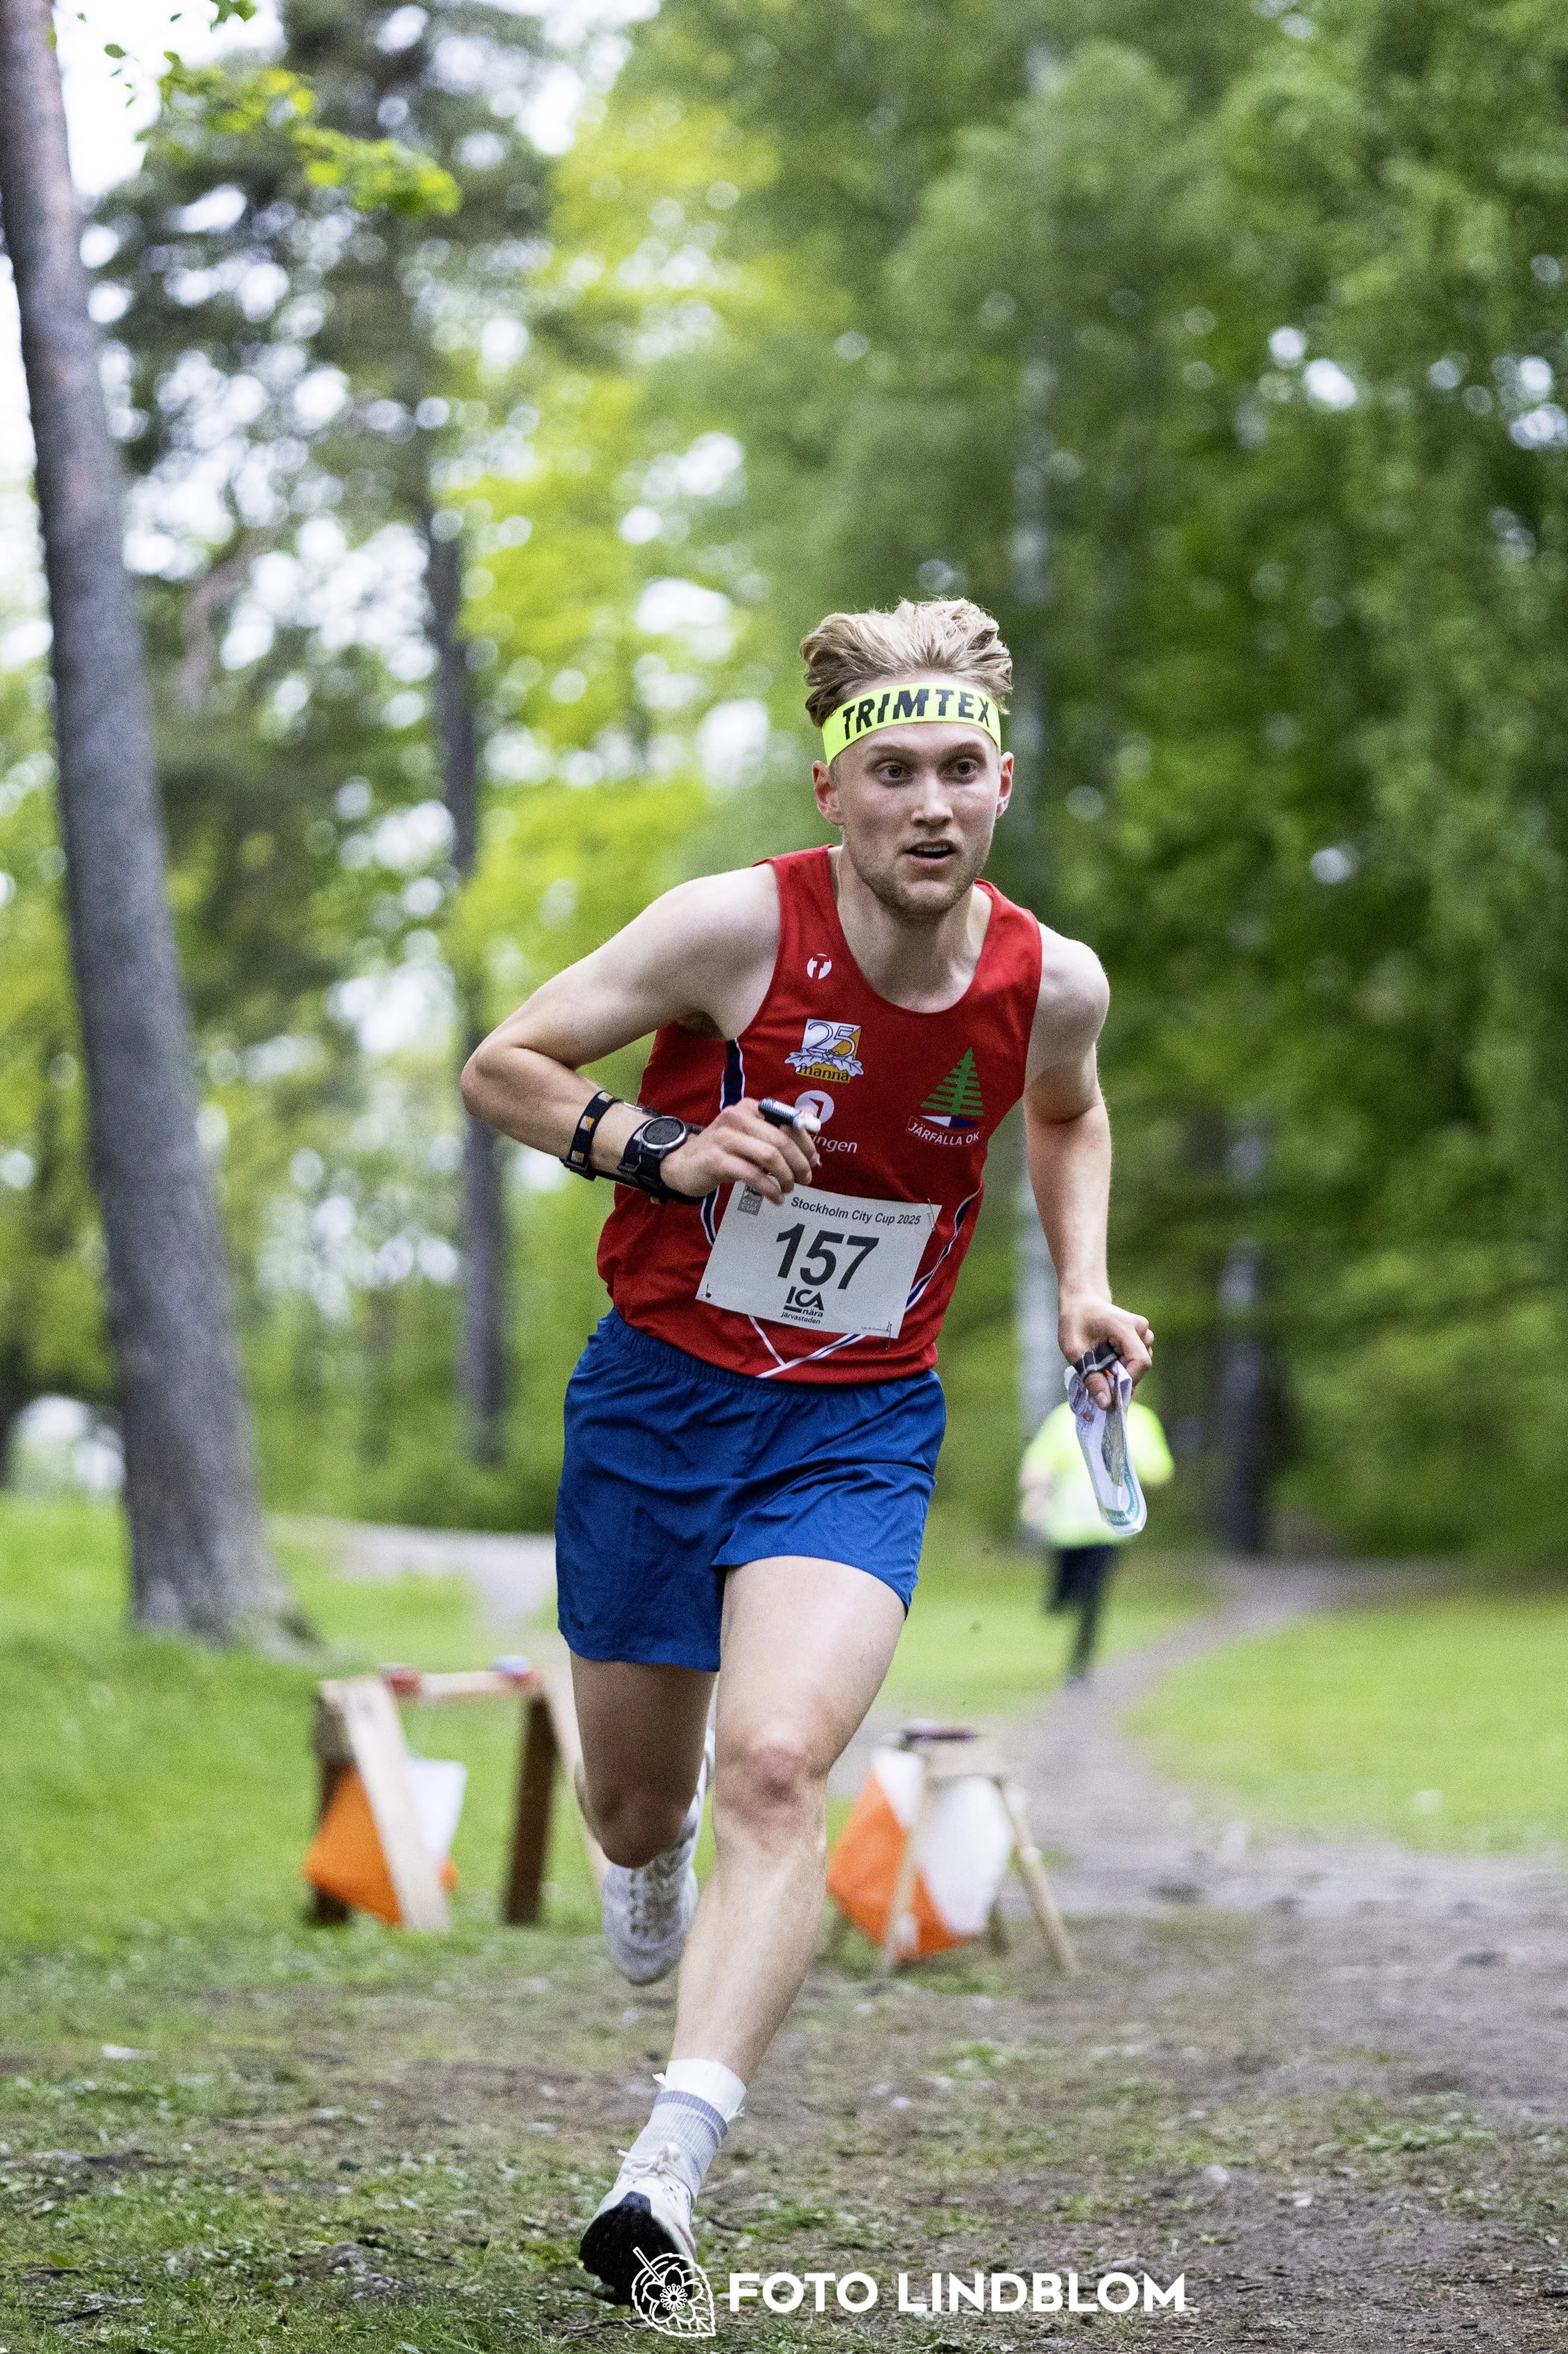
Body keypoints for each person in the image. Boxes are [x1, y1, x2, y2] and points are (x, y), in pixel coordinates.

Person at [460, 597, 1152, 2302]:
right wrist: (661, 1148)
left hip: (857, 1419)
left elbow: (1066, 1111)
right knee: (637, 1805)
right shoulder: (729, 931)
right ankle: (650, 1863)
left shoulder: (1047, 980)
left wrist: (1084, 1284)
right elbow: (505, 1065)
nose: (930, 801)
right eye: (893, 768)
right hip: (659, 1395)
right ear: (836, 790)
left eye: (960, 770)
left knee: (776, 1761)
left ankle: (664, 2179)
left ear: (1002, 785)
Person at [1019, 1393, 1175, 1683]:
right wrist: (1035, 1495)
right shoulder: (1067, 1416)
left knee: (1092, 1595)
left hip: (1108, 1530)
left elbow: (1160, 1471)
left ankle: (1079, 1666)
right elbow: (1039, 1462)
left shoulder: (1139, 1421)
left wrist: (1135, 1460)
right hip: (1066, 1529)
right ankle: (1060, 1599)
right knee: (1063, 1597)